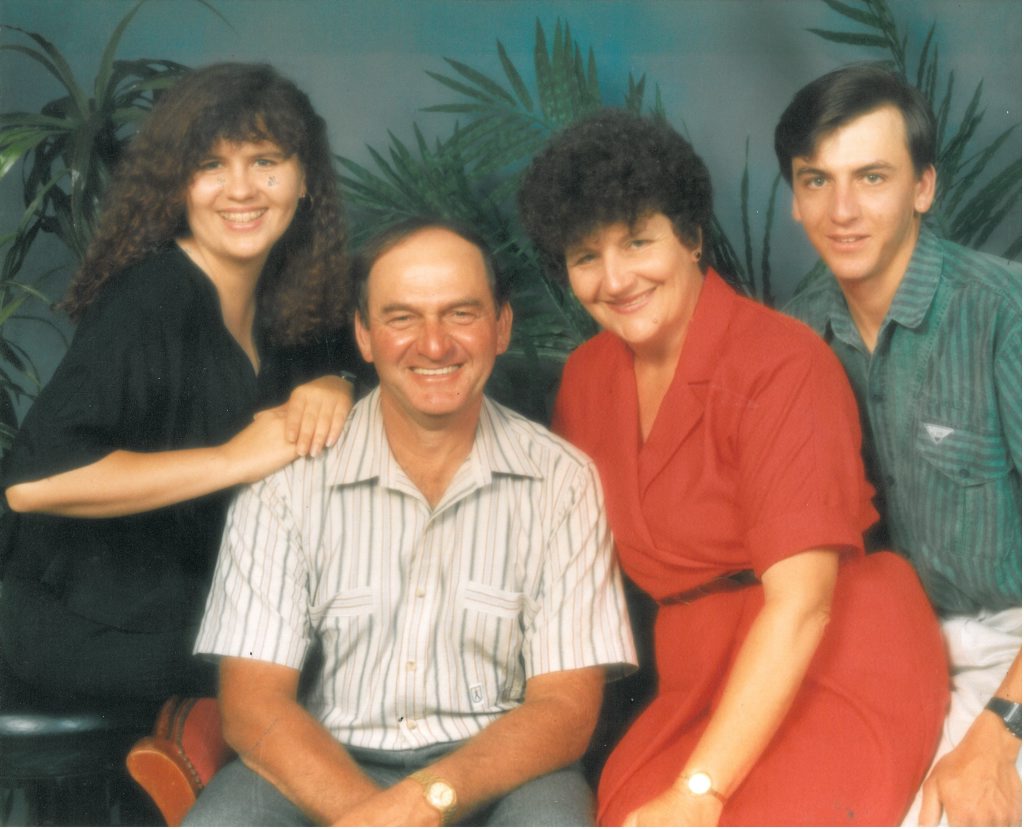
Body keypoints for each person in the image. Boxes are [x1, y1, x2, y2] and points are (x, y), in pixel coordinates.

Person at [517, 108, 949, 826]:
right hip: (696, 673)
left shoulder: (780, 361)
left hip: (833, 646)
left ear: (690, 238)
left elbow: (802, 602)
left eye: (638, 241)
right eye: (586, 256)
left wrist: (699, 790)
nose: (615, 278)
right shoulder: (587, 377)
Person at [183, 218, 637, 826]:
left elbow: (565, 710)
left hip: (500, 769)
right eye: (402, 318)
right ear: (364, 336)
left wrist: (428, 800)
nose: (433, 344)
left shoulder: (563, 481)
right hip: (320, 759)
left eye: (461, 314)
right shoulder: (287, 481)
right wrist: (374, 817)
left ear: (501, 327)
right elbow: (252, 704)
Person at [0, 63, 364, 705]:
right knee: (339, 667)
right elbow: (33, 484)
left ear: (304, 179)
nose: (241, 189)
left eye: (265, 161)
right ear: (178, 186)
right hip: (87, 624)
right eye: (211, 166)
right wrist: (231, 459)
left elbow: (361, 351)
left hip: (183, 604)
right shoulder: (151, 298)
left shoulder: (291, 295)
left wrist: (335, 381)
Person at [776, 63, 1022, 826]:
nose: (841, 210)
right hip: (887, 653)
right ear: (793, 196)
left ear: (924, 188)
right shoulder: (791, 337)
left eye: (872, 177)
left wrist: (1001, 732)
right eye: (817, 181)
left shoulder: (1003, 314)